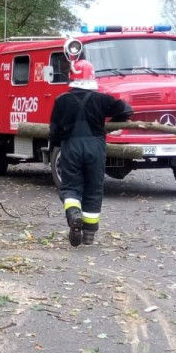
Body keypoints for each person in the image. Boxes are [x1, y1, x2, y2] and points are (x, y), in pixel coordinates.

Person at [48, 59, 134, 247]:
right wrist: (109, 126)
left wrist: (57, 143)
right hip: (95, 147)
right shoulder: (102, 99)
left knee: (71, 187)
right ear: (91, 77)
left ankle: (74, 215)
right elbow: (127, 110)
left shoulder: (61, 100)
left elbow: (53, 130)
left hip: (71, 147)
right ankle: (89, 235)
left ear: (72, 77)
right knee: (94, 190)